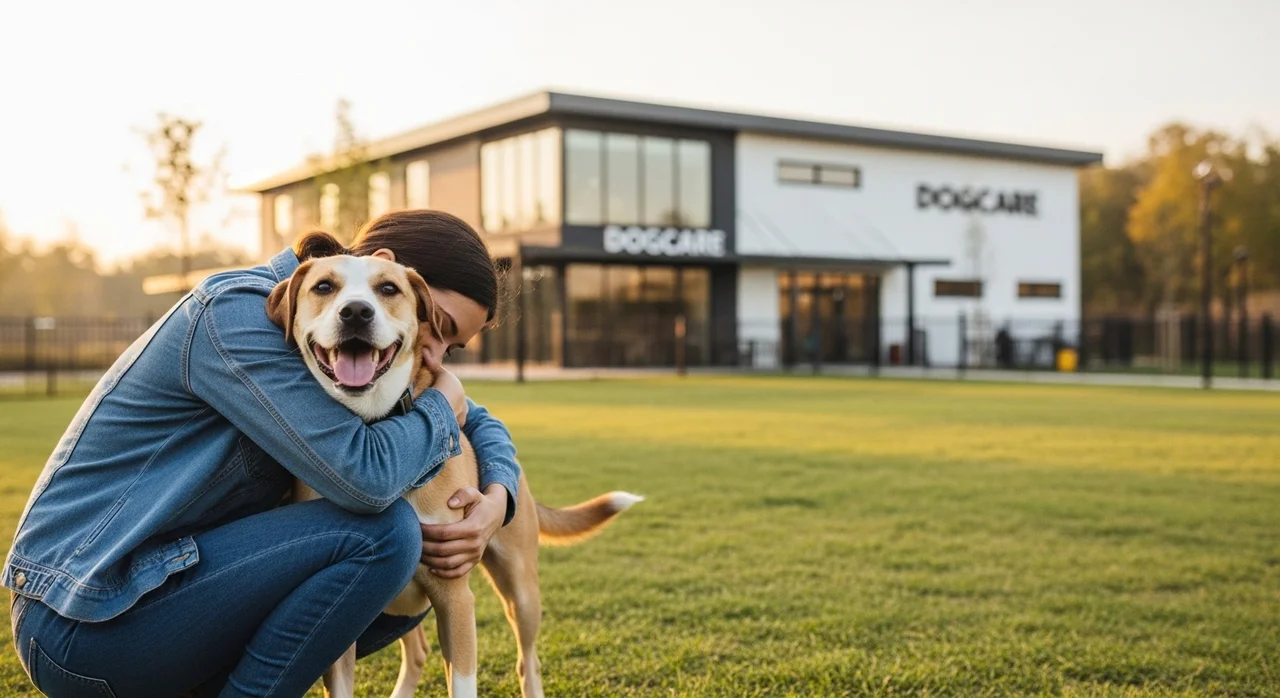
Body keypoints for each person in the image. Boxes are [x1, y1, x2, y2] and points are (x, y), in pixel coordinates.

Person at [5, 210, 520, 697]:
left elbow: (472, 413)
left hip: (167, 584)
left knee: (417, 573)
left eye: (449, 349)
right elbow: (368, 479)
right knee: (387, 535)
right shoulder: (238, 318)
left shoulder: (338, 349)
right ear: (384, 268)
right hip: (83, 614)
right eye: (437, 326)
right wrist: (438, 409)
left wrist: (498, 498)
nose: (432, 356)